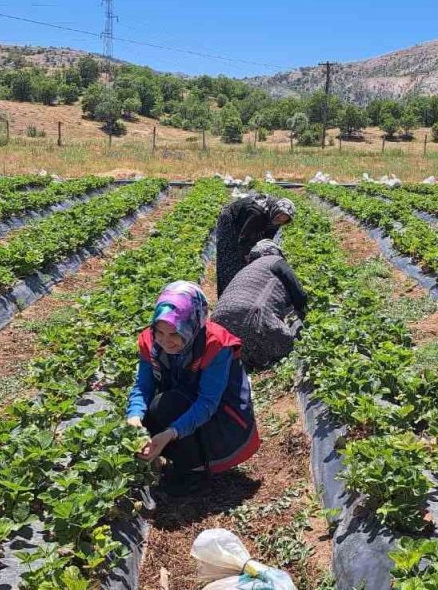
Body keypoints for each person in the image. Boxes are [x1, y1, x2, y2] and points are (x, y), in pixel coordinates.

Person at [127, 281, 260, 495]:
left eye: (174, 334)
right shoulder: (149, 342)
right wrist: (133, 417)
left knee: (166, 406)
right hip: (183, 398)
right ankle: (162, 459)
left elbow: (207, 402)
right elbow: (143, 386)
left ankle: (193, 471)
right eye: (159, 332)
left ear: (192, 324)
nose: (165, 341)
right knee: (146, 414)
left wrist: (170, 433)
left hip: (220, 416)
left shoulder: (215, 345)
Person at [212, 240, 309, 371]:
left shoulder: (246, 270)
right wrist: (303, 312)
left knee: (244, 360)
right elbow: (298, 293)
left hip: (217, 328)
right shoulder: (274, 260)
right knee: (291, 344)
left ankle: (248, 361)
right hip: (252, 317)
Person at [214, 194, 295, 297]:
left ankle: (242, 288)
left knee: (252, 252)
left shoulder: (277, 215)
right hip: (230, 218)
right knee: (230, 257)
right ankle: (225, 294)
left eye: (282, 220)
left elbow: (267, 239)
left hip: (251, 222)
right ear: (275, 211)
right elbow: (244, 238)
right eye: (278, 217)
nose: (278, 220)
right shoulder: (258, 214)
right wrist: (247, 256)